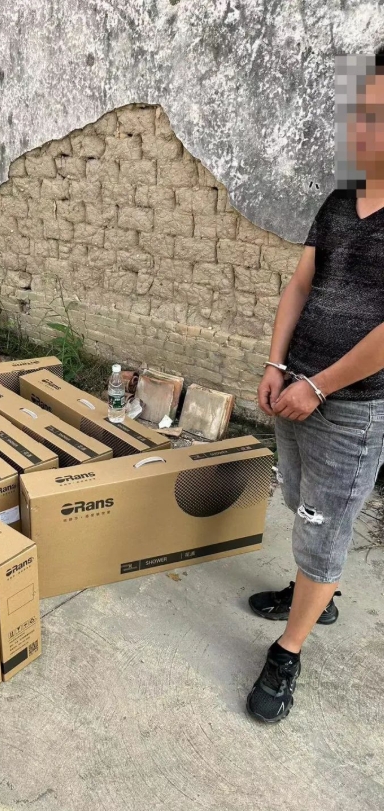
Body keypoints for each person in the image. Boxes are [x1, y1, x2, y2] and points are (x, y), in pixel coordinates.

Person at [246, 52, 384, 723]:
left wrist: (321, 388)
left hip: (350, 408)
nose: (363, 127)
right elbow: (301, 284)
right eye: (361, 113)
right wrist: (276, 363)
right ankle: (314, 594)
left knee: (325, 529)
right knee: (303, 507)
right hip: (295, 389)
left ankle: (289, 649)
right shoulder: (337, 203)